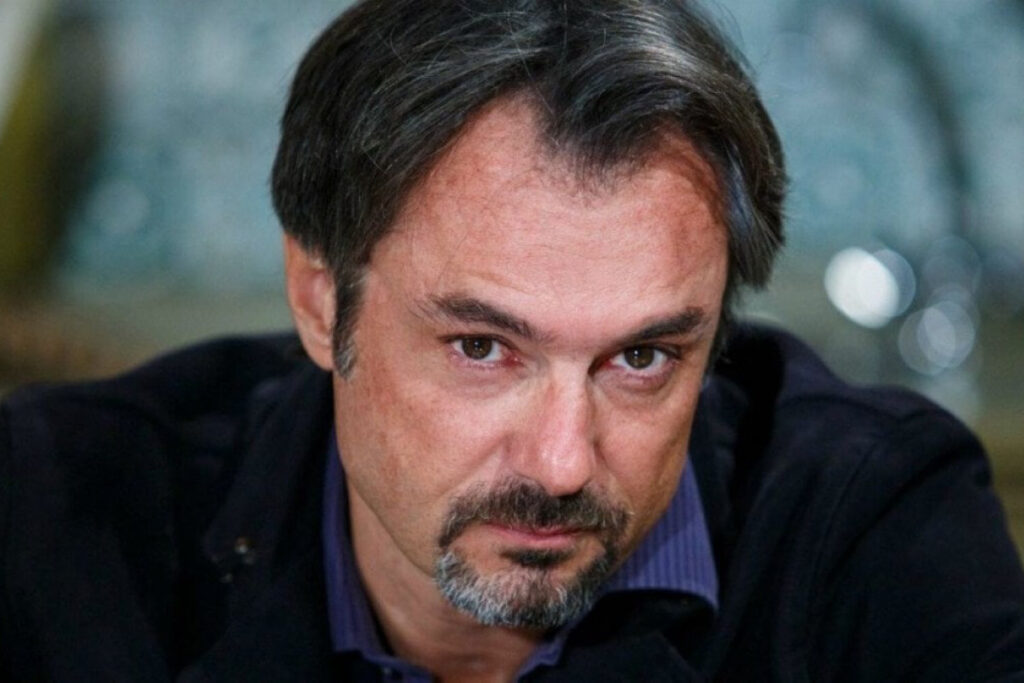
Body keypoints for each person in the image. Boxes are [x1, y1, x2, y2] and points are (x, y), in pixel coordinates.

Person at [2, 0, 1023, 680]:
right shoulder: (55, 517)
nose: (562, 462)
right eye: (483, 348)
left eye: (641, 358)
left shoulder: (876, 531)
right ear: (320, 298)